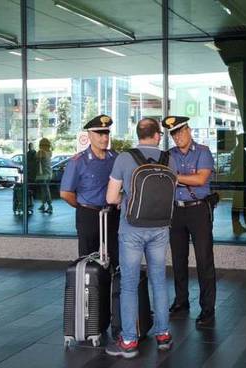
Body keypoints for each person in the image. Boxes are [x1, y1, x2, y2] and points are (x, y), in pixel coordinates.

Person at [105, 117, 172, 358]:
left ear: (138, 134)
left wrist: (126, 200)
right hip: (160, 228)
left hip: (132, 228)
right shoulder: (168, 159)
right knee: (159, 281)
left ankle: (130, 341)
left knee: (129, 284)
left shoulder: (125, 158)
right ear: (157, 135)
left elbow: (111, 198)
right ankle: (163, 335)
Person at [162, 115, 217, 327]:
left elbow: (201, 179)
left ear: (188, 130)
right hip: (176, 211)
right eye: (173, 133)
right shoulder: (168, 155)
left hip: (198, 210)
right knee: (178, 260)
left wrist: (175, 177)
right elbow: (165, 180)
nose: (177, 136)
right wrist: (186, 178)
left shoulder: (202, 151)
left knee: (204, 260)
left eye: (180, 131)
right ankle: (181, 301)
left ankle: (207, 309)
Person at [60, 115, 120, 267]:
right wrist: (83, 205)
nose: (104, 138)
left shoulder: (115, 158)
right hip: (89, 215)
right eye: (100, 134)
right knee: (88, 260)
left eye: (106, 133)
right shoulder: (79, 161)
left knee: (117, 256)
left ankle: (114, 289)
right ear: (89, 136)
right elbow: (65, 193)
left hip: (112, 214)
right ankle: (90, 290)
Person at [36, 138, 53, 213]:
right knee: (45, 189)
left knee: (45, 190)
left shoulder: (41, 152)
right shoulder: (49, 152)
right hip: (49, 173)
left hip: (43, 174)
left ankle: (49, 205)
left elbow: (36, 159)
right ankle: (43, 204)